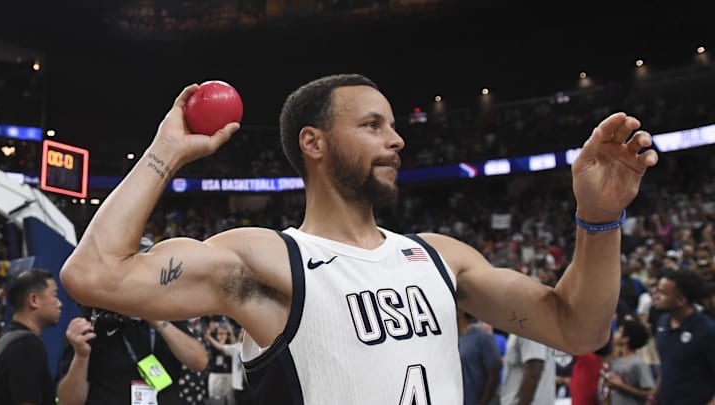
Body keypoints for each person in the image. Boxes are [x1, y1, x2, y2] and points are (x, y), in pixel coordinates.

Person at [59, 73, 659, 404]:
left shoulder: (438, 256)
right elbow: (94, 275)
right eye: (373, 125)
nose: (396, 140)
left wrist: (598, 218)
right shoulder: (269, 259)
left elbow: (579, 329)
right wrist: (166, 150)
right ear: (314, 144)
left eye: (394, 127)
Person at [55, 305, 209, 405]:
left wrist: (158, 321)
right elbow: (68, 401)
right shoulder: (90, 325)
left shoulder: (165, 314)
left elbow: (199, 362)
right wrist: (81, 356)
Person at [0, 269, 62, 405]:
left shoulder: (6, 340)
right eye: (54, 295)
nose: (59, 304)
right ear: (34, 300)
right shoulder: (26, 346)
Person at [649, 270, 715, 405]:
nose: (655, 296)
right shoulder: (662, 321)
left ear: (681, 300)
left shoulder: (707, 330)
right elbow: (668, 366)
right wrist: (653, 397)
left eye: (662, 293)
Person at [603, 316, 654, 404]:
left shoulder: (638, 363)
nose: (615, 333)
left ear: (626, 339)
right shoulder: (614, 361)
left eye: (619, 331)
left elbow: (650, 393)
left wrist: (623, 387)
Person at [456, 309, 502, 405]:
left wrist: (483, 402)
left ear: (460, 311)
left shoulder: (482, 338)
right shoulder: (453, 340)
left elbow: (494, 373)